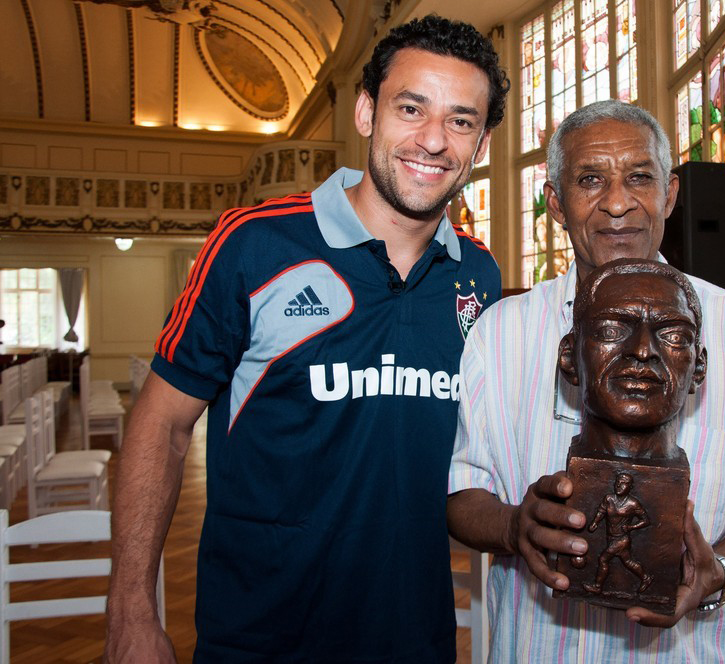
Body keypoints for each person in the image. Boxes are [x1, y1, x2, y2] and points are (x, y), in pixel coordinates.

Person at [106, 15, 508, 663]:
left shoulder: (479, 276)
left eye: (460, 121)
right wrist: (130, 610)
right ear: (366, 112)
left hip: (413, 636)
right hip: (260, 637)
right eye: (411, 108)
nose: (433, 139)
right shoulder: (254, 244)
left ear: (481, 143)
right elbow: (163, 424)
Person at [447, 100, 725, 661]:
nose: (617, 202)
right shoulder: (499, 334)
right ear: (555, 202)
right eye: (590, 180)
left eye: (639, 178)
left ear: (670, 195)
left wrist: (716, 570)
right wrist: (513, 528)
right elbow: (462, 492)